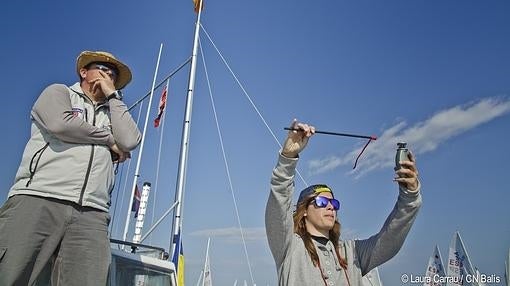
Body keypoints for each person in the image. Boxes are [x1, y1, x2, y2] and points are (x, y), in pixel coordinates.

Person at [0, 51, 142, 286]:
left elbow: (130, 141)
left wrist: (114, 97)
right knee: (11, 273)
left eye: (113, 74)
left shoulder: (115, 114)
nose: (108, 75)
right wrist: (108, 139)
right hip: (40, 196)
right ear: (83, 72)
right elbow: (61, 124)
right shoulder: (59, 93)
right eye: (102, 69)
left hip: (93, 211)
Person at [265, 120, 422, 286]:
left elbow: (390, 238)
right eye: (322, 201)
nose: (330, 206)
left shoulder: (352, 253)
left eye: (334, 203)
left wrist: (410, 194)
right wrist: (287, 158)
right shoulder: (289, 248)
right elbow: (279, 203)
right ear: (303, 210)